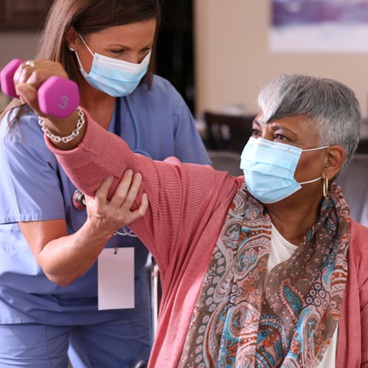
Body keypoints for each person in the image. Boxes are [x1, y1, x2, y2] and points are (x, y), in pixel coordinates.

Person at [13, 71, 368, 367]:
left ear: (331, 161)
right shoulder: (203, 202)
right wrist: (64, 119)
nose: (260, 147)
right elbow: (119, 171)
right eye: (258, 132)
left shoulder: (359, 257)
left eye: (281, 137)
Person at [0, 0, 211, 367]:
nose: (132, 64)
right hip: (32, 302)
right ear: (72, 38)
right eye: (117, 51)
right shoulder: (24, 129)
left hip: (117, 295)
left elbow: (203, 205)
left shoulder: (162, 102)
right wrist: (100, 226)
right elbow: (56, 266)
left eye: (143, 50)